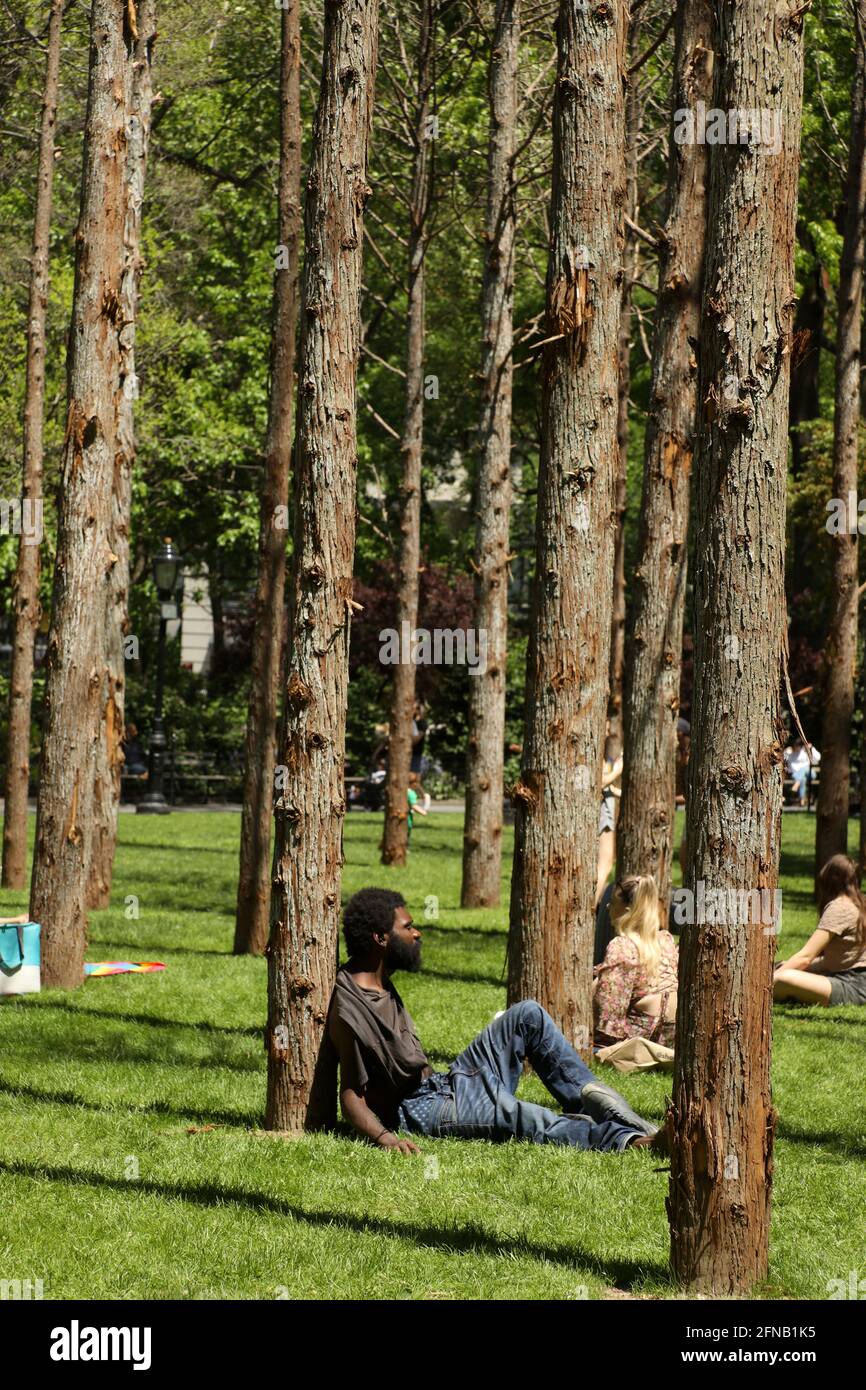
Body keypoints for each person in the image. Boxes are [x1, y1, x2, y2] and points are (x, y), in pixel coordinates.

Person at [327, 888, 668, 1155]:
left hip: (445, 1084)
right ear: (380, 939)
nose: (417, 933)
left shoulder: (379, 976)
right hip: (420, 1110)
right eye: (408, 927)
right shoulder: (352, 1008)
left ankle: (594, 1104)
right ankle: (629, 1141)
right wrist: (386, 1139)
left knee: (527, 1015)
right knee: (522, 1117)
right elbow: (351, 1096)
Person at [593, 876, 679, 1047]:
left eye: (612, 902)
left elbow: (610, 1012)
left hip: (635, 1039)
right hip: (669, 1040)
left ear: (626, 910)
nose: (608, 906)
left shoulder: (622, 947)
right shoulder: (666, 940)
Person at [773, 854, 866, 1006]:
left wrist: (769, 980)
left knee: (782, 979)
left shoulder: (840, 906)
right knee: (780, 966)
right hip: (851, 977)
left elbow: (806, 957)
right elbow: (831, 960)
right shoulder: (859, 902)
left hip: (852, 985)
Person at [596, 721, 622, 906]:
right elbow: (599, 782)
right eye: (604, 726)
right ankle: (593, 904)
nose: (607, 730)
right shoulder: (594, 752)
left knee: (606, 862)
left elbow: (608, 786)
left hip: (607, 806)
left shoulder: (600, 753)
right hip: (603, 810)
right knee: (604, 863)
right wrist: (619, 769)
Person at [783, 736, 820, 807]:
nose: (797, 747)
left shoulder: (805, 752)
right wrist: (786, 751)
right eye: (796, 745)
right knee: (802, 779)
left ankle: (797, 784)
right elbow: (783, 759)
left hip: (810, 773)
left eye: (799, 745)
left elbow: (818, 758)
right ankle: (802, 801)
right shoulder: (790, 753)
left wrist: (811, 749)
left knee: (804, 768)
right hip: (795, 775)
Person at [406, 772, 429, 840]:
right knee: (407, 832)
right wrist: (423, 812)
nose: (418, 785)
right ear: (413, 783)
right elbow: (414, 806)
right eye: (417, 783)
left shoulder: (405, 791)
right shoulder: (411, 793)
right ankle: (405, 847)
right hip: (407, 817)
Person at [410, 701, 428, 775]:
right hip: (411, 754)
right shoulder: (412, 722)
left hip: (415, 754)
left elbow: (415, 740)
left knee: (413, 777)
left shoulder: (422, 723)